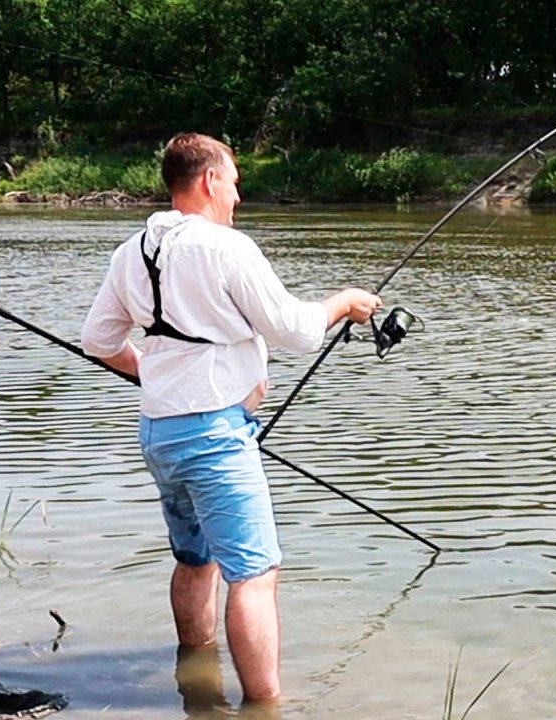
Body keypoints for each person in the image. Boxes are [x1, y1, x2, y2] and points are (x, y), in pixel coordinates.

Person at [80, 132, 381, 703]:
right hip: (215, 437)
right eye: (236, 183)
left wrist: (153, 375)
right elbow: (296, 331)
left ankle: (197, 677)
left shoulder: (132, 251)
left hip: (160, 434)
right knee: (254, 572)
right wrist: (344, 301)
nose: (238, 197)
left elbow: (98, 339)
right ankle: (264, 706)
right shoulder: (226, 247)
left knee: (196, 559)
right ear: (210, 180)